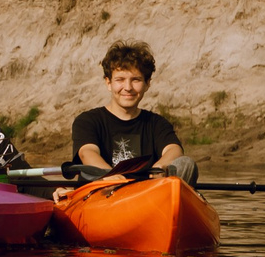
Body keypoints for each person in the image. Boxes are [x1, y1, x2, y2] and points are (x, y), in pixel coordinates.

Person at [71, 41, 192, 182]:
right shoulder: (87, 121)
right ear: (108, 83)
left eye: (136, 80)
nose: (128, 87)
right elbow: (87, 153)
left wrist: (160, 166)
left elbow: (174, 150)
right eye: (120, 80)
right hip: (104, 191)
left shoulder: (157, 123)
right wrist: (110, 176)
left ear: (147, 84)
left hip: (146, 195)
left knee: (187, 164)